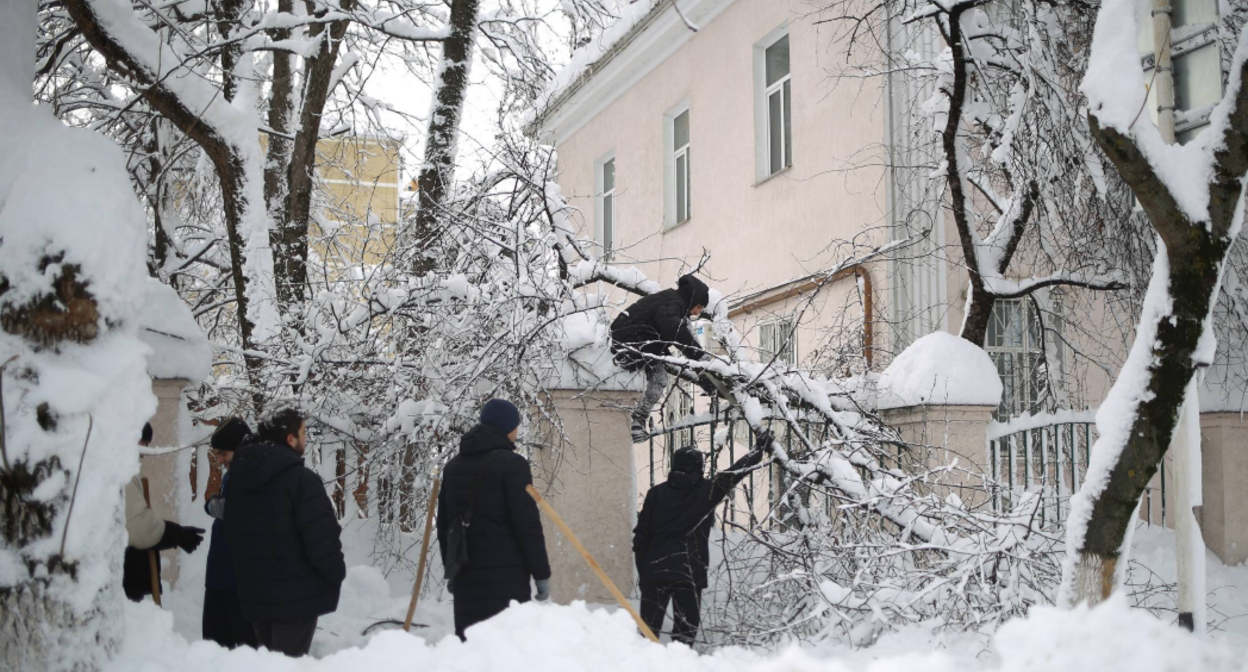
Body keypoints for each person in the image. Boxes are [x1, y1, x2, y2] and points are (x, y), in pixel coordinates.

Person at [632, 430, 772, 646]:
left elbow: (641, 537)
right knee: (684, 637)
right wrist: (758, 450)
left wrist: (646, 572)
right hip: (688, 571)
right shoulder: (707, 491)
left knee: (647, 636)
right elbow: (735, 473)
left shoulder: (656, 494)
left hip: (655, 570)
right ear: (699, 467)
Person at [225, 408, 345, 658]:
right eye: (303, 433)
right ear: (290, 439)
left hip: (256, 596)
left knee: (268, 663)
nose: (306, 439)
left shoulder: (239, 479)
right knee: (289, 664)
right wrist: (335, 574)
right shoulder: (301, 481)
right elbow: (321, 540)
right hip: (295, 600)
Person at [437, 399, 552, 641]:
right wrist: (541, 574)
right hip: (507, 581)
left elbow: (446, 526)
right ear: (507, 427)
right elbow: (527, 525)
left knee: (471, 652)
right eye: (516, 426)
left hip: (466, 576)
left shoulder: (452, 467)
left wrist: (453, 570)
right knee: (506, 651)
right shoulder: (513, 465)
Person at [610, 274, 711, 442]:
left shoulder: (671, 300)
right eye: (699, 307)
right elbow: (674, 331)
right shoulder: (673, 303)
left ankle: (638, 419)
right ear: (692, 300)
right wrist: (699, 356)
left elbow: (668, 331)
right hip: (631, 341)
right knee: (660, 377)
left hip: (639, 339)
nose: (698, 312)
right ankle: (638, 420)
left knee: (668, 368)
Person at [123, 422, 205, 602]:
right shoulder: (119, 469)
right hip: (120, 580)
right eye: (143, 444)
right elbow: (139, 528)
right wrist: (176, 534)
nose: (143, 453)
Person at [200, 417, 258, 649]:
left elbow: (242, 512)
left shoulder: (251, 473)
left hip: (237, 578)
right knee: (218, 645)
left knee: (235, 646)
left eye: (223, 453)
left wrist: (214, 507)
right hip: (222, 574)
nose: (220, 460)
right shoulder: (234, 473)